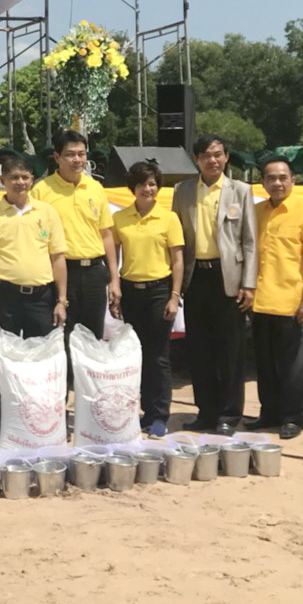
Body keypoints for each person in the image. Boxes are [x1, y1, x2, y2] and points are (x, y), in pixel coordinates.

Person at [170, 134, 258, 436]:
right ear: (197, 159)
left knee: (230, 350)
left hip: (228, 277)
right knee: (200, 350)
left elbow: (250, 241)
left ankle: (229, 415)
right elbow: (176, 238)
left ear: (226, 157)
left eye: (218, 154)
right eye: (206, 155)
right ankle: (206, 412)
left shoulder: (241, 190)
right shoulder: (182, 191)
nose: (213, 160)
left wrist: (249, 284)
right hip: (196, 277)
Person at [250, 158, 303, 440]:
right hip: (259, 302)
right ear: (263, 183)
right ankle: (269, 413)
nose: (277, 183)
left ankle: (294, 417)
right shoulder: (256, 212)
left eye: (283, 178)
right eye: (271, 178)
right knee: (265, 364)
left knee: (295, 366)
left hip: (292, 302)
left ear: (293, 181)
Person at [110, 160, 183, 438]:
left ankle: (159, 415)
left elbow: (177, 260)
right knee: (135, 355)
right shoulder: (120, 218)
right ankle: (143, 413)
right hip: (131, 292)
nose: (147, 189)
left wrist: (174, 296)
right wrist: (115, 285)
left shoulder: (169, 218)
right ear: (133, 188)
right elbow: (114, 255)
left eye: (152, 184)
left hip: (159, 291)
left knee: (158, 356)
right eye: (142, 184)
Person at [29, 129, 117, 339]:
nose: (77, 160)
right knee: (63, 336)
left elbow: (106, 235)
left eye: (81, 154)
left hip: (94, 273)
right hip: (60, 273)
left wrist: (114, 279)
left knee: (93, 338)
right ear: (57, 157)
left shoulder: (95, 188)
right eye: (70, 154)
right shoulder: (41, 191)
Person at [0, 156, 69, 342]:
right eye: (14, 177)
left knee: (42, 353)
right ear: (3, 180)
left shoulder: (47, 212)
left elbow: (57, 258)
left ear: (32, 180)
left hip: (41, 298)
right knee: (6, 354)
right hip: (5, 298)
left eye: (25, 177)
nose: (20, 182)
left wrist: (62, 301)